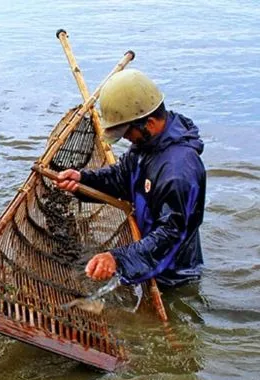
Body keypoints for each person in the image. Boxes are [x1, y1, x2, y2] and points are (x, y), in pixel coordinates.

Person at [55, 69, 206, 288]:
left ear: (150, 123)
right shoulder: (145, 145)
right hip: (145, 250)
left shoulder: (178, 171)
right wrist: (81, 181)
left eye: (126, 132)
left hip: (173, 273)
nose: (126, 138)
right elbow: (120, 178)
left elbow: (169, 235)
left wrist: (118, 258)